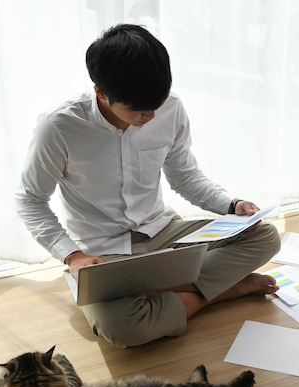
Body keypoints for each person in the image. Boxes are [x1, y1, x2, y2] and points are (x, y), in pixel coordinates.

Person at [15, 24, 281, 348]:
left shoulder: (170, 107)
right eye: (140, 110)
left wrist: (231, 205)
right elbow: (30, 200)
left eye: (157, 103)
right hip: (104, 251)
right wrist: (72, 256)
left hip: (163, 232)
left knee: (264, 236)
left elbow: (185, 176)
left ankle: (168, 293)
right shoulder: (58, 126)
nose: (152, 115)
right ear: (101, 92)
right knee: (121, 328)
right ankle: (224, 290)